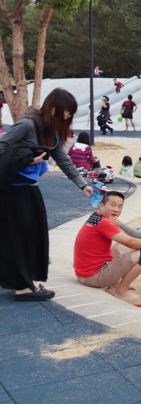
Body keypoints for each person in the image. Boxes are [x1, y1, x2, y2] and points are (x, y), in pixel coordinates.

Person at [1, 88, 95, 301]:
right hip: (11, 191)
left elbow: (62, 159)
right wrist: (27, 159)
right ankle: (23, 287)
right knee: (20, 237)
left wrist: (82, 185)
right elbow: (2, 147)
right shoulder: (27, 125)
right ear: (53, 108)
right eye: (67, 112)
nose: (69, 116)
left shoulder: (51, 130)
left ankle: (28, 281)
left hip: (29, 188)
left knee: (34, 235)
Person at [73, 191, 141, 301]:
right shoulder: (105, 223)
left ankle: (115, 283)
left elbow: (125, 238)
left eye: (120, 206)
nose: (116, 210)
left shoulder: (97, 216)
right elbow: (131, 242)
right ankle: (121, 292)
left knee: (125, 246)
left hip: (84, 273)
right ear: (102, 205)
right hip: (93, 277)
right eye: (113, 205)